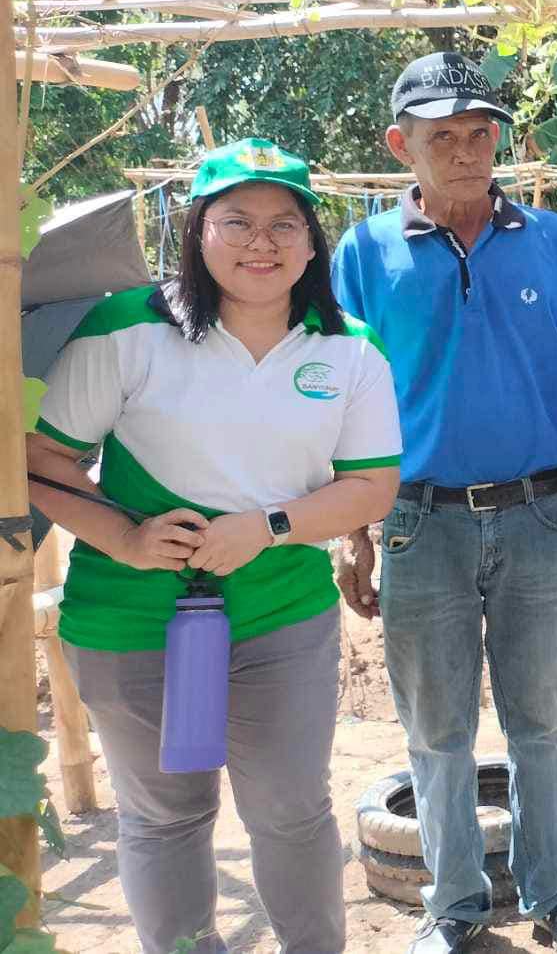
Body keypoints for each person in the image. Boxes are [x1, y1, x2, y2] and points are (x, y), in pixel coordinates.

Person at [30, 139, 400, 954]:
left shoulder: (350, 350)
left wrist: (267, 526)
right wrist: (124, 534)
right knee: (164, 815)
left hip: (282, 615)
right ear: (198, 231)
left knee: (293, 810)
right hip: (131, 618)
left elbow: (370, 486)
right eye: (236, 221)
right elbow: (38, 457)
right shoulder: (128, 328)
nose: (261, 242)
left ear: (313, 239)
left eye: (284, 223)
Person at [332, 53, 557, 954]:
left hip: (539, 515)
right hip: (418, 521)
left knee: (542, 722)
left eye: (480, 133)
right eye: (442, 136)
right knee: (437, 731)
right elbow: (343, 394)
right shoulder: (365, 253)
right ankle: (452, 904)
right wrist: (355, 531)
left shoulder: (554, 240)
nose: (465, 151)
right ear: (400, 145)